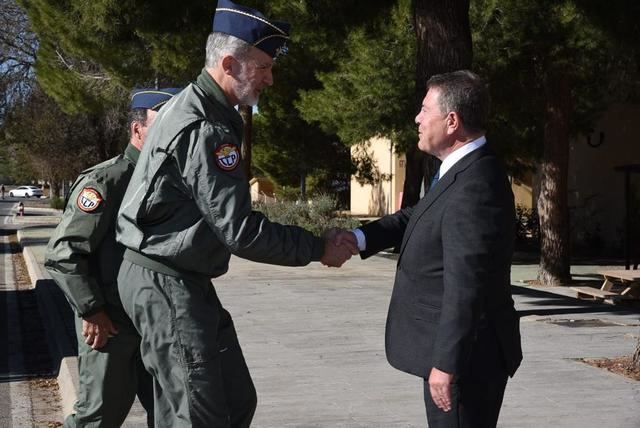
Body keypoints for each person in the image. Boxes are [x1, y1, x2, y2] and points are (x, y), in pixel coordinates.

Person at [114, 1, 356, 426]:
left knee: (235, 399)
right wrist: (319, 247)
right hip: (165, 279)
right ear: (229, 62)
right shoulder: (206, 126)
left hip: (182, 277)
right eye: (262, 66)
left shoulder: (205, 110)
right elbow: (240, 230)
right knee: (198, 415)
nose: (270, 78)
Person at [338, 70, 523, 427]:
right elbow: (418, 216)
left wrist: (447, 363)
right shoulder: (461, 171)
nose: (417, 118)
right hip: (456, 354)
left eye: (425, 110)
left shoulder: (475, 187)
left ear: (452, 121)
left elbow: (467, 285)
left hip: (467, 362)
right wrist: (359, 239)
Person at [45, 87, 181, 427]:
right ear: (137, 130)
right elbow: (64, 254)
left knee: (176, 415)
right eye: (162, 123)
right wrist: (91, 309)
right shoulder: (107, 180)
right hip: (112, 325)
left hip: (161, 323)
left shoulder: (176, 182)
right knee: (99, 418)